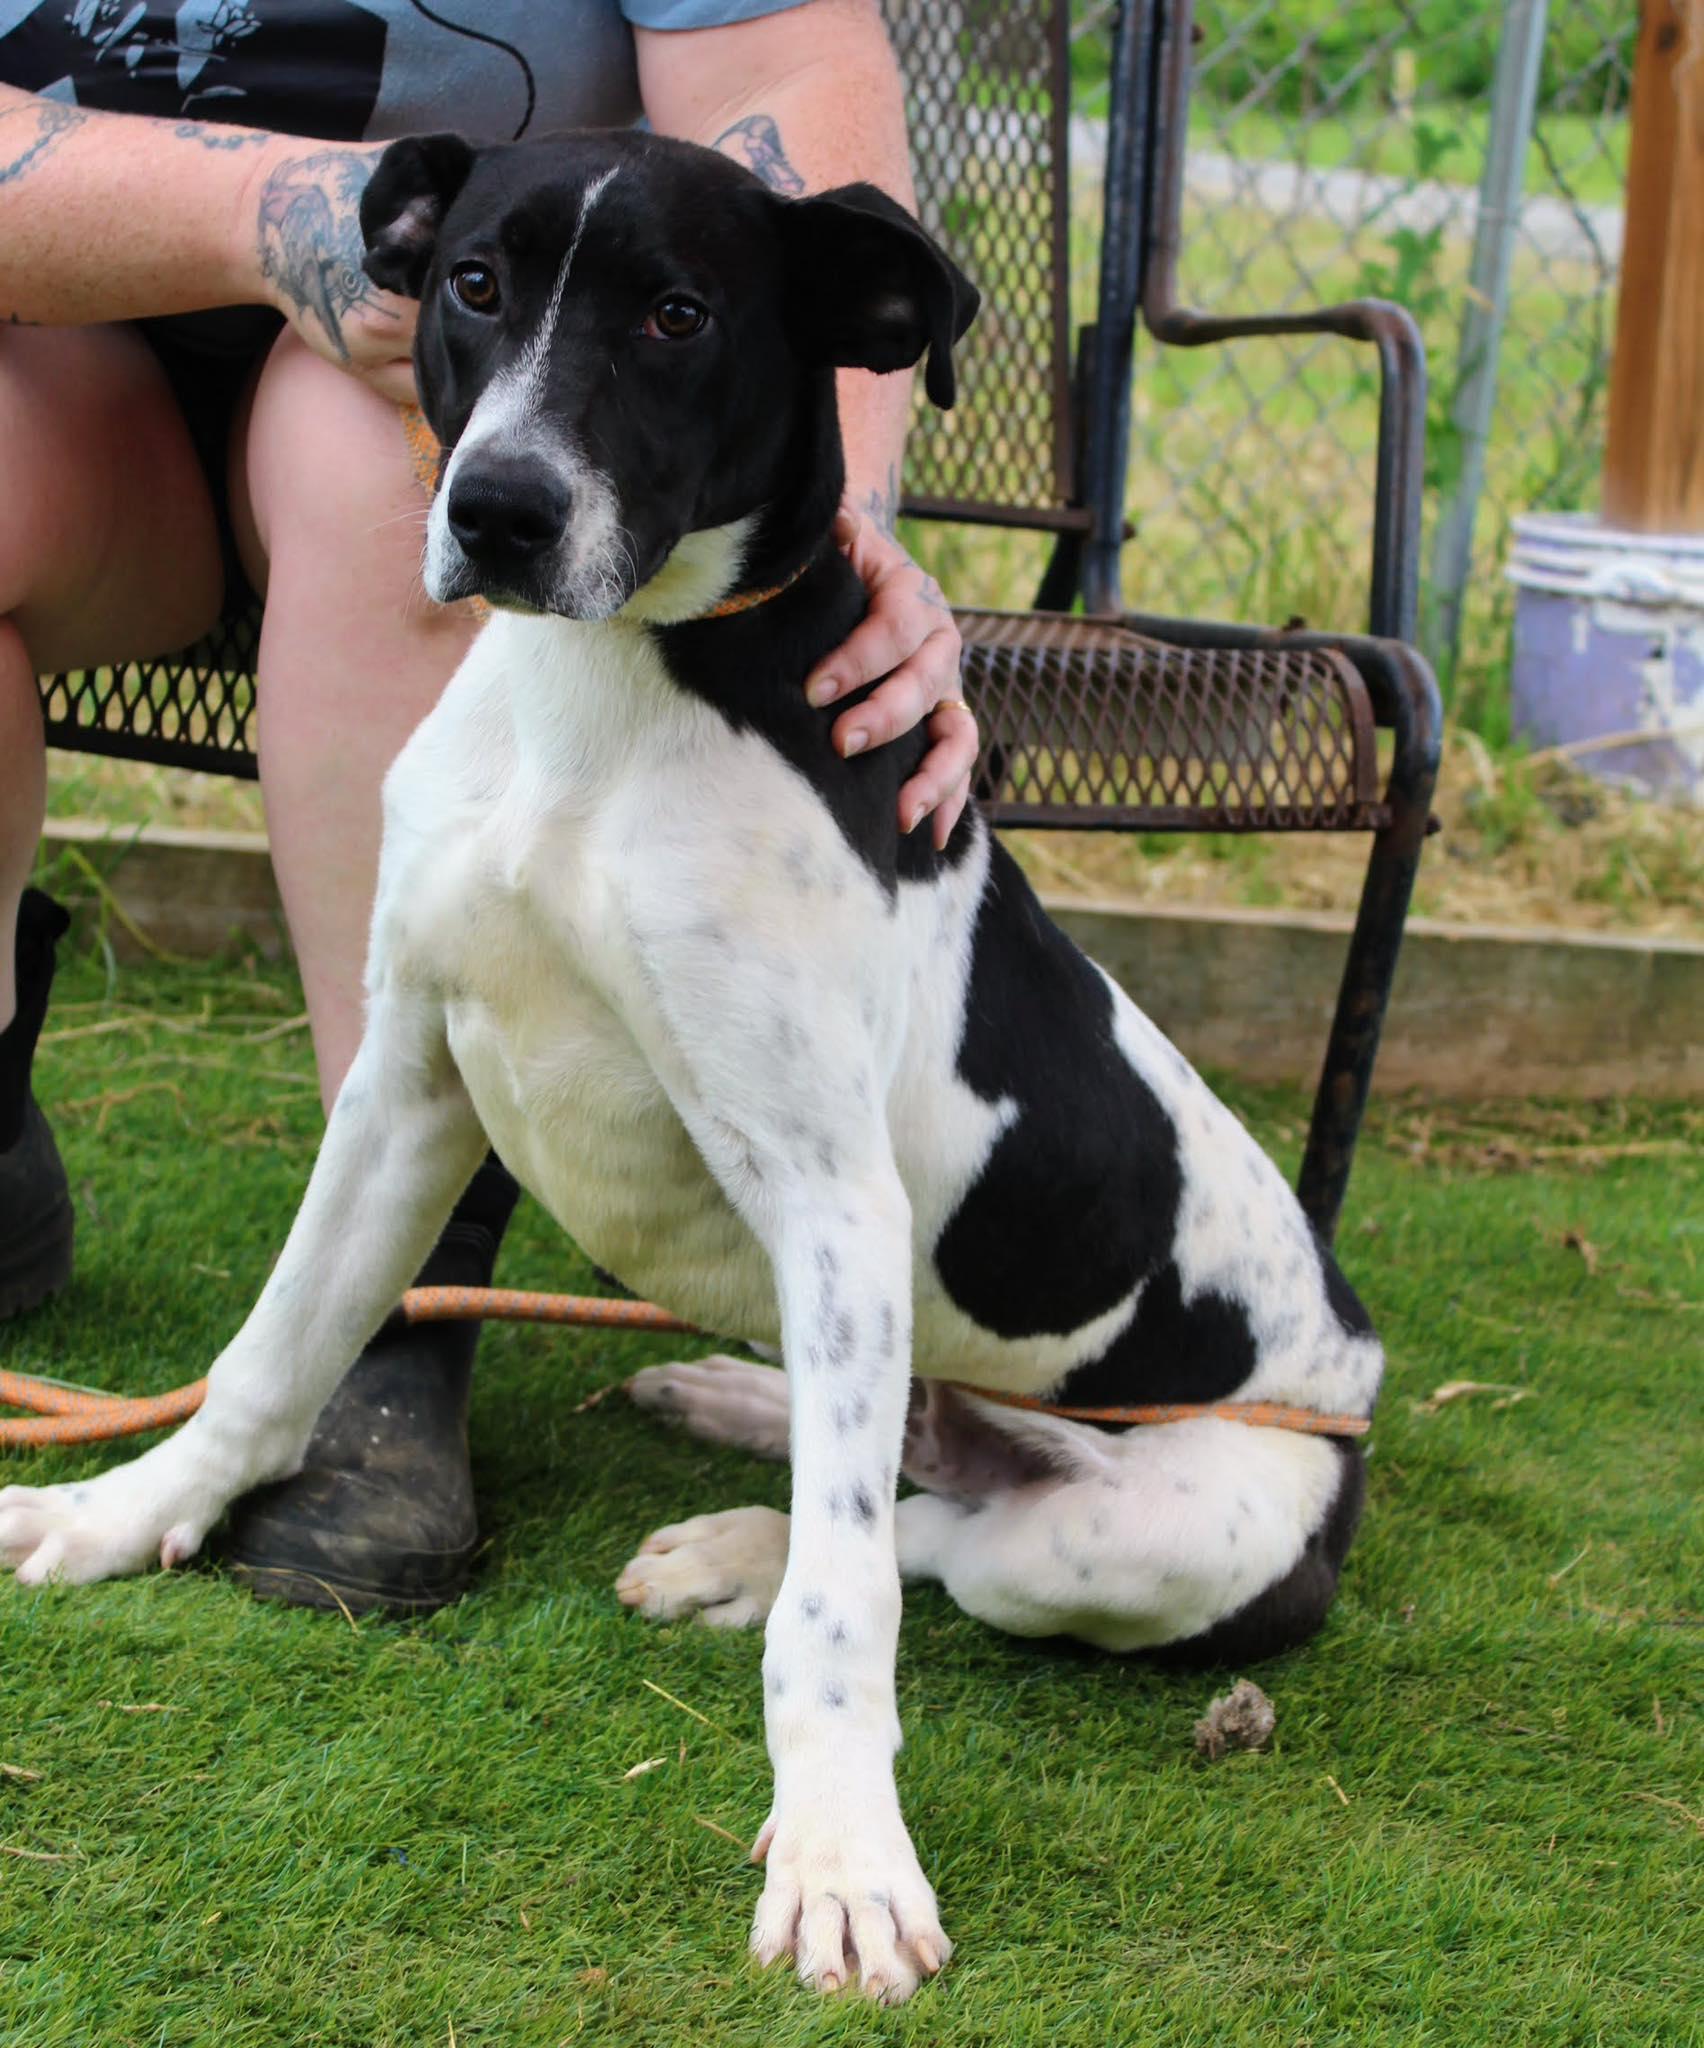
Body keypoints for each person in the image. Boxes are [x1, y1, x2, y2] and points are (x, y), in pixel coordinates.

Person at [0, 0, 977, 1614]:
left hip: (477, 382)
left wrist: (836, 527)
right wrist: (276, 218)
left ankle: (403, 1324)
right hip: (85, 334)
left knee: (374, 458)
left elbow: (780, 78)